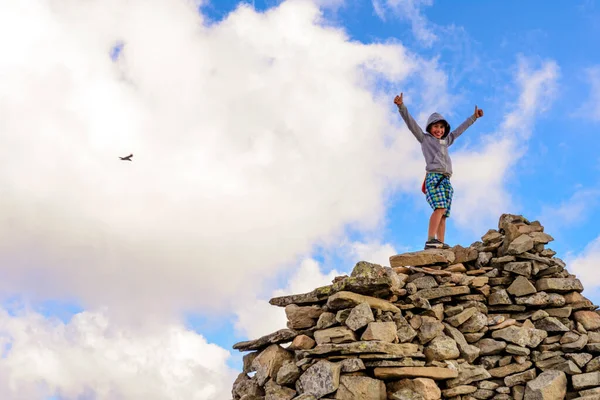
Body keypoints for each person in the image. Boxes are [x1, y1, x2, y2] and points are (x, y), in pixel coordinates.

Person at [394, 93, 484, 250]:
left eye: (442, 127)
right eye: (436, 126)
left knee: (444, 214)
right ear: (430, 128)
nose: (439, 130)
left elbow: (459, 131)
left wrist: (474, 117)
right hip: (434, 178)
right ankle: (431, 240)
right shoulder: (425, 139)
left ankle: (440, 243)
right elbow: (411, 123)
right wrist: (401, 106)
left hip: (446, 180)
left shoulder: (446, 141)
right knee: (439, 208)